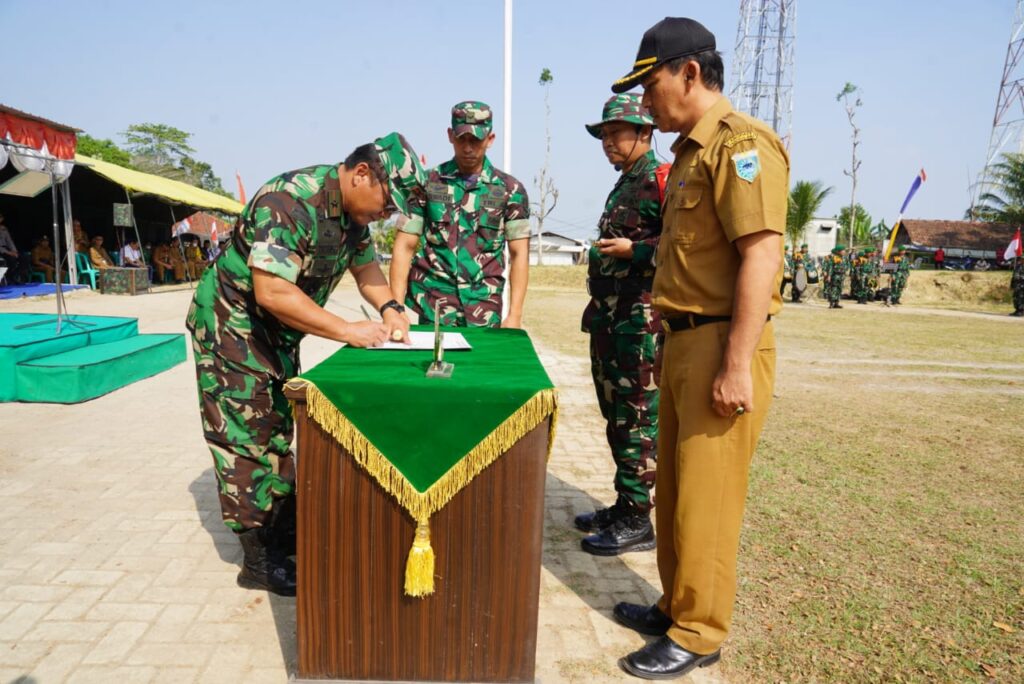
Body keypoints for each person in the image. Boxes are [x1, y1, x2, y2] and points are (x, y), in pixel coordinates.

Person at [607, 17, 788, 679]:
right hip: (684, 342)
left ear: (689, 72)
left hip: (722, 344)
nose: (644, 102)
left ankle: (701, 630)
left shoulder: (742, 146)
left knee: (707, 500)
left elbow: (761, 257)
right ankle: (676, 604)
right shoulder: (689, 151)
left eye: (650, 85)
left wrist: (737, 363)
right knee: (677, 492)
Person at [186, 132, 425, 597]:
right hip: (232, 328)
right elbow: (272, 291)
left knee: (278, 428)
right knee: (244, 439)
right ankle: (256, 559)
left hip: (277, 332)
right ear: (361, 174)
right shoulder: (288, 202)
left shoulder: (354, 216)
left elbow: (366, 271)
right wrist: (347, 330)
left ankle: (280, 528)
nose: (388, 214)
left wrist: (391, 308)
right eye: (388, 202)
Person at [574, 93, 662, 556]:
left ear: (645, 132)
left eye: (615, 134)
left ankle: (638, 518)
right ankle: (624, 502)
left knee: (636, 419)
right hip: (611, 318)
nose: (607, 142)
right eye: (603, 135)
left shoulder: (661, 180)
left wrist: (637, 252)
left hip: (639, 321)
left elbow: (685, 248)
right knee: (614, 415)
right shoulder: (627, 181)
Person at [389, 101, 531, 328]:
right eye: (461, 139)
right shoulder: (426, 184)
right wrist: (395, 308)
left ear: (490, 139)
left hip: (483, 306)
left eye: (476, 140)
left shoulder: (510, 190)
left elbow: (519, 253)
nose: (468, 148)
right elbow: (404, 246)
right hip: (434, 303)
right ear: (450, 135)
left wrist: (515, 315)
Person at [0, 212, 24, 283]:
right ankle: (9, 277)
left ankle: (17, 276)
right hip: (1, 251)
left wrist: (14, 251)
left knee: (23, 258)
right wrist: (9, 253)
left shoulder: (3, 229)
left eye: (1, 217)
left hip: (7, 249)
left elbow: (9, 241)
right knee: (11, 259)